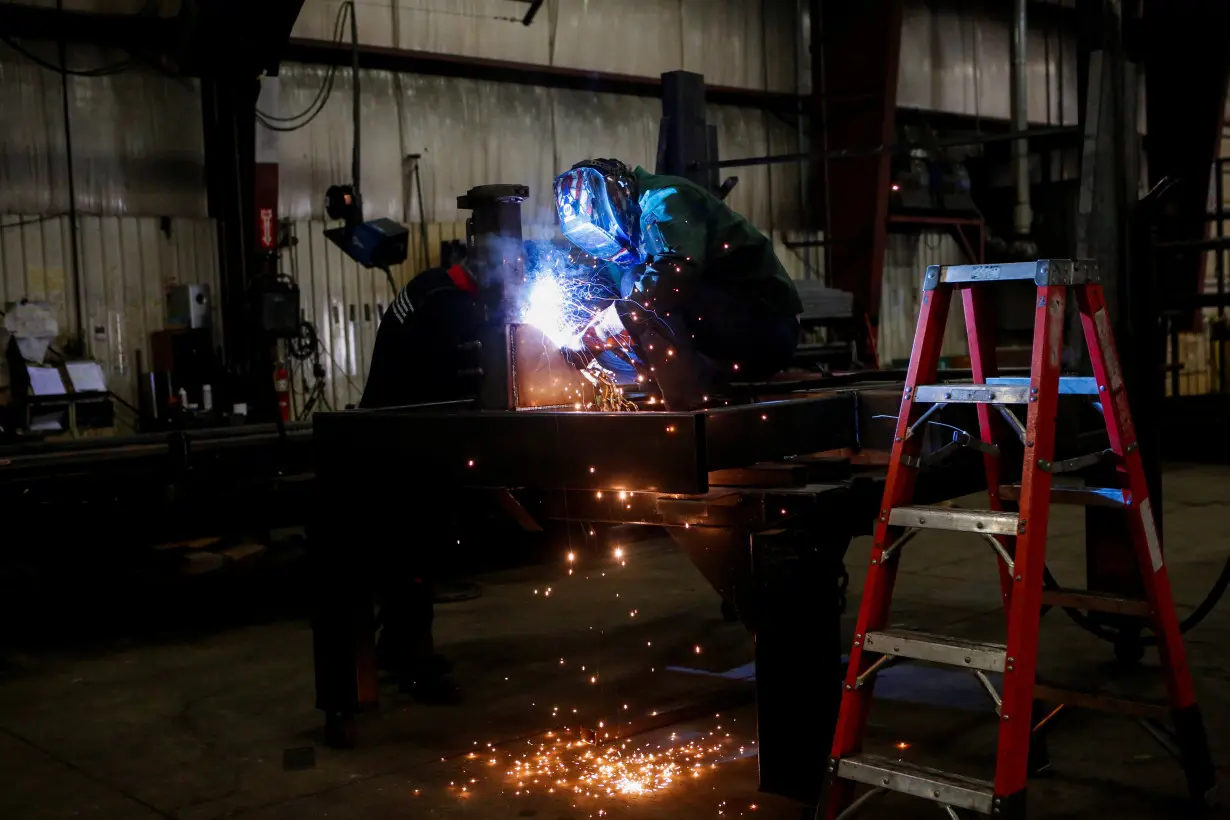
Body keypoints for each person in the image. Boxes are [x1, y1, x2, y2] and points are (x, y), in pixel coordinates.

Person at [553, 158, 803, 408]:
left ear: (619, 195)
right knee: (629, 298)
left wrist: (609, 324)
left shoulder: (667, 199)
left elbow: (676, 273)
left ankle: (685, 411)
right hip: (719, 343)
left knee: (643, 294)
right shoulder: (623, 243)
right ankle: (671, 392)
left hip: (766, 329)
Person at [358, 261, 484, 704]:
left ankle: (395, 648)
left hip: (384, 432)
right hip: (404, 443)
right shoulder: (453, 307)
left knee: (405, 555)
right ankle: (417, 665)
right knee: (415, 552)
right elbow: (465, 388)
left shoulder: (433, 284)